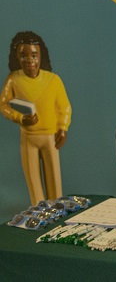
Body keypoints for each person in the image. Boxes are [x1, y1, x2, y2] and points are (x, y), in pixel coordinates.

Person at [1, 31, 71, 205]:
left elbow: (64, 107)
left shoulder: (53, 80)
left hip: (50, 137)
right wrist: (20, 118)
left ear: (41, 56)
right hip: (28, 138)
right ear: (17, 57)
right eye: (23, 56)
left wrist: (62, 128)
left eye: (34, 55)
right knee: (34, 186)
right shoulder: (13, 79)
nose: (29, 60)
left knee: (55, 184)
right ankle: (37, 216)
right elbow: (3, 105)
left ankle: (57, 215)